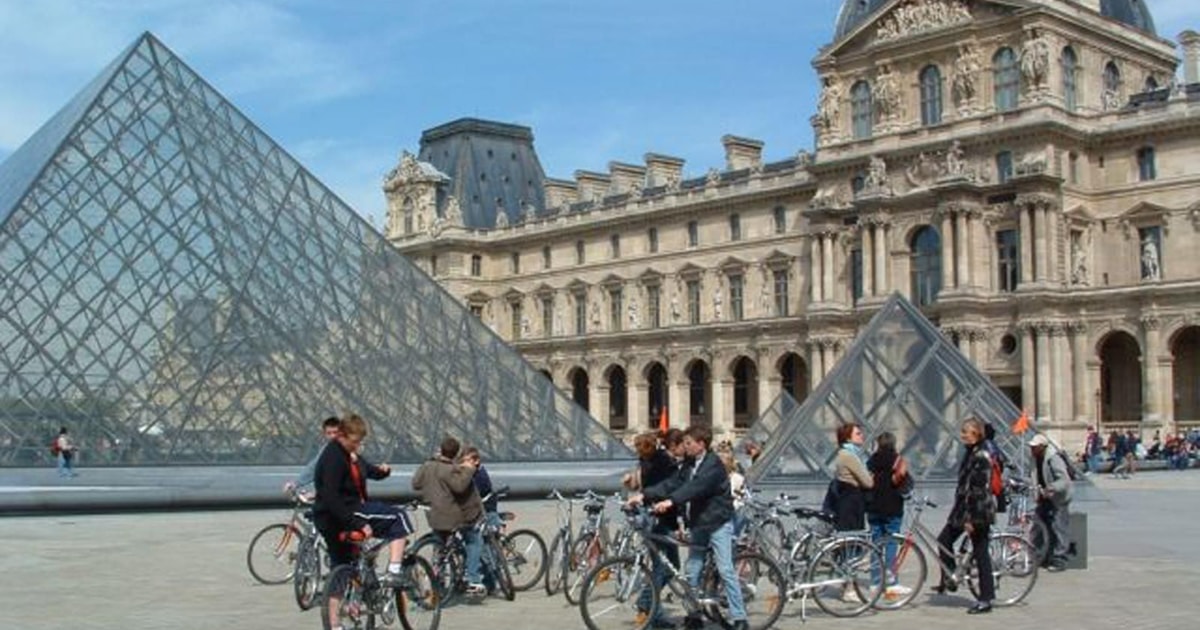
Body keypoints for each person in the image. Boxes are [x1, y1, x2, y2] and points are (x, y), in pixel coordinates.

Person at [633, 426, 748, 630]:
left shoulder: (713, 465)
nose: (684, 447)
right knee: (692, 570)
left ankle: (740, 617)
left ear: (701, 444)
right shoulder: (690, 462)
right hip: (699, 523)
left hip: (718, 523)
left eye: (688, 443)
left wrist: (670, 502)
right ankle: (694, 615)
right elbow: (674, 482)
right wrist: (646, 494)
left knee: (726, 569)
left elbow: (695, 488)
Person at [313, 415, 415, 630]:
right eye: (355, 441)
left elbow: (369, 471)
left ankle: (336, 624)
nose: (357, 445)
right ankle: (395, 571)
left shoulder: (343, 453)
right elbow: (331, 496)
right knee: (399, 517)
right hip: (344, 515)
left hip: (329, 520)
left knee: (341, 569)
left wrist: (383, 472)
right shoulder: (335, 458)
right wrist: (356, 523)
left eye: (360, 442)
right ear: (342, 435)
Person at [933, 417, 996, 615]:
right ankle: (952, 575)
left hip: (977, 512)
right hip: (962, 510)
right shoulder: (971, 453)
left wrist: (971, 519)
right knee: (943, 540)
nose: (962, 435)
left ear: (976, 434)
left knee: (981, 553)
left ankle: (985, 599)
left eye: (965, 432)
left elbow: (979, 490)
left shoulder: (981, 455)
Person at [412, 436, 486, 595]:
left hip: (433, 515)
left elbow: (415, 483)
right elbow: (459, 487)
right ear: (455, 454)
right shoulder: (450, 469)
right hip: (451, 516)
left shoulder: (428, 466)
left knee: (439, 547)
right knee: (473, 539)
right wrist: (469, 469)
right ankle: (473, 578)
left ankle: (438, 582)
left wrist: (427, 463)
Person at [630, 432, 684, 628]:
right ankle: (651, 611)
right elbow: (666, 487)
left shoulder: (660, 461)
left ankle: (650, 607)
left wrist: (643, 494)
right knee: (662, 567)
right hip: (657, 518)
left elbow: (665, 486)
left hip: (662, 516)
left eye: (642, 450)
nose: (640, 454)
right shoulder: (651, 460)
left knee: (670, 566)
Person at [866, 431, 911, 599]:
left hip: (873, 507)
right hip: (892, 506)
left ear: (878, 444)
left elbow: (867, 479)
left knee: (875, 545)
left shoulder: (871, 460)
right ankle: (891, 582)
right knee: (891, 544)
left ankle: (875, 582)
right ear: (894, 443)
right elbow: (902, 476)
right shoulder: (897, 459)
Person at [1029, 434, 1072, 572]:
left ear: (1042, 447)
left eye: (1034, 447)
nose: (1032, 449)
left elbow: (1064, 480)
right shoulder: (1034, 459)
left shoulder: (1054, 459)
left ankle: (1060, 559)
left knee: (1059, 527)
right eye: (1031, 446)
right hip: (1044, 497)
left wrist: (1051, 487)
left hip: (1058, 498)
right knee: (1038, 527)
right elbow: (1034, 477)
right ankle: (1042, 555)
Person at [290, 417, 340, 496]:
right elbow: (314, 467)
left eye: (335, 432)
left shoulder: (346, 449)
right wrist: (296, 483)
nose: (332, 436)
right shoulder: (326, 449)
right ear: (324, 434)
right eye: (329, 433)